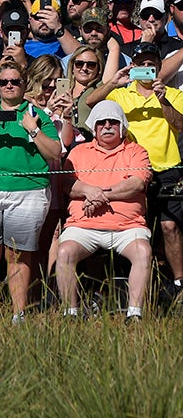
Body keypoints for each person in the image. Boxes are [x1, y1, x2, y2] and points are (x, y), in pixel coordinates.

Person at [0, 63, 61, 324]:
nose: (8, 85)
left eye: (14, 81)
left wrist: (33, 128)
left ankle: (19, 313)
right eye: (4, 81)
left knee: (18, 254)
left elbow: (55, 152)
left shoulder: (37, 115)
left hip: (27, 190)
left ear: (24, 84)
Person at [87, 42, 183, 301]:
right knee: (130, 226)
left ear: (159, 68)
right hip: (128, 169)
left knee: (170, 226)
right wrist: (113, 83)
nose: (146, 68)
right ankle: (126, 283)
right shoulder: (122, 92)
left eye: (151, 64)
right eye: (142, 64)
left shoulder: (172, 94)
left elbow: (180, 125)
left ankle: (178, 283)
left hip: (167, 168)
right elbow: (90, 102)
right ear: (135, 66)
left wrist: (163, 101)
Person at [56, 101, 153, 322]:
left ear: (122, 126)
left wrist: (99, 197)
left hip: (127, 228)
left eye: (113, 122)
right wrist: (89, 190)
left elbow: (137, 184)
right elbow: (66, 184)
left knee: (143, 252)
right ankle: (70, 313)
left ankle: (134, 314)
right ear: (94, 126)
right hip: (83, 227)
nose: (107, 126)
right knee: (64, 253)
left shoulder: (136, 151)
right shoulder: (78, 152)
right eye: (101, 122)